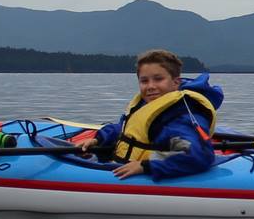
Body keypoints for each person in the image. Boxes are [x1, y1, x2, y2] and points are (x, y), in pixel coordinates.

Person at [91, 48, 225, 180]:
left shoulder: (181, 116)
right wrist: (99, 139)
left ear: (175, 83)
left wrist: (146, 166)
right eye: (144, 81)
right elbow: (126, 129)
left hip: (151, 169)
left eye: (158, 79)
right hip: (120, 162)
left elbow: (196, 154)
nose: (150, 86)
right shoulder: (147, 103)